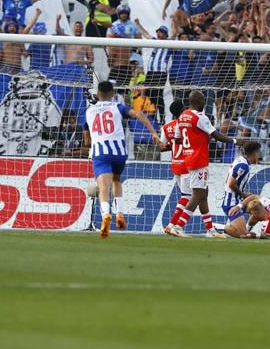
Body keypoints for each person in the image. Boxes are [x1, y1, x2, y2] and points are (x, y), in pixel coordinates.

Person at [84, 81, 161, 238]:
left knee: (104, 187)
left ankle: (106, 215)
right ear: (113, 94)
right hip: (119, 152)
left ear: (97, 93)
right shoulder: (118, 107)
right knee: (116, 181)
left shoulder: (89, 111)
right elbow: (139, 114)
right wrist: (153, 133)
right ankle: (119, 212)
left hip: (101, 152)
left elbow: (87, 141)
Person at [178, 90, 243, 238]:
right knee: (198, 194)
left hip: (187, 157)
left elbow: (179, 138)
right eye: (203, 100)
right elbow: (216, 135)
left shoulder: (183, 116)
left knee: (203, 194)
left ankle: (210, 230)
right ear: (199, 102)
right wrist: (235, 141)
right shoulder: (200, 117)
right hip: (198, 158)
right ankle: (179, 226)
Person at [160, 100, 191, 237]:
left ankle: (173, 225)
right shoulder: (187, 124)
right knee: (188, 196)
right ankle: (173, 225)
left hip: (175, 163)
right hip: (187, 163)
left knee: (187, 195)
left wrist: (173, 144)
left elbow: (162, 147)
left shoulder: (166, 126)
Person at [222, 141, 262, 238]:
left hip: (238, 200)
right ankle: (215, 227)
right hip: (232, 203)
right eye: (258, 152)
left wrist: (242, 194)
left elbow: (228, 181)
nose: (259, 155)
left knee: (260, 210)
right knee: (243, 235)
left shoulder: (240, 160)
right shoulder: (243, 166)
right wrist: (243, 195)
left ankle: (246, 229)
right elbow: (231, 184)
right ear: (254, 153)